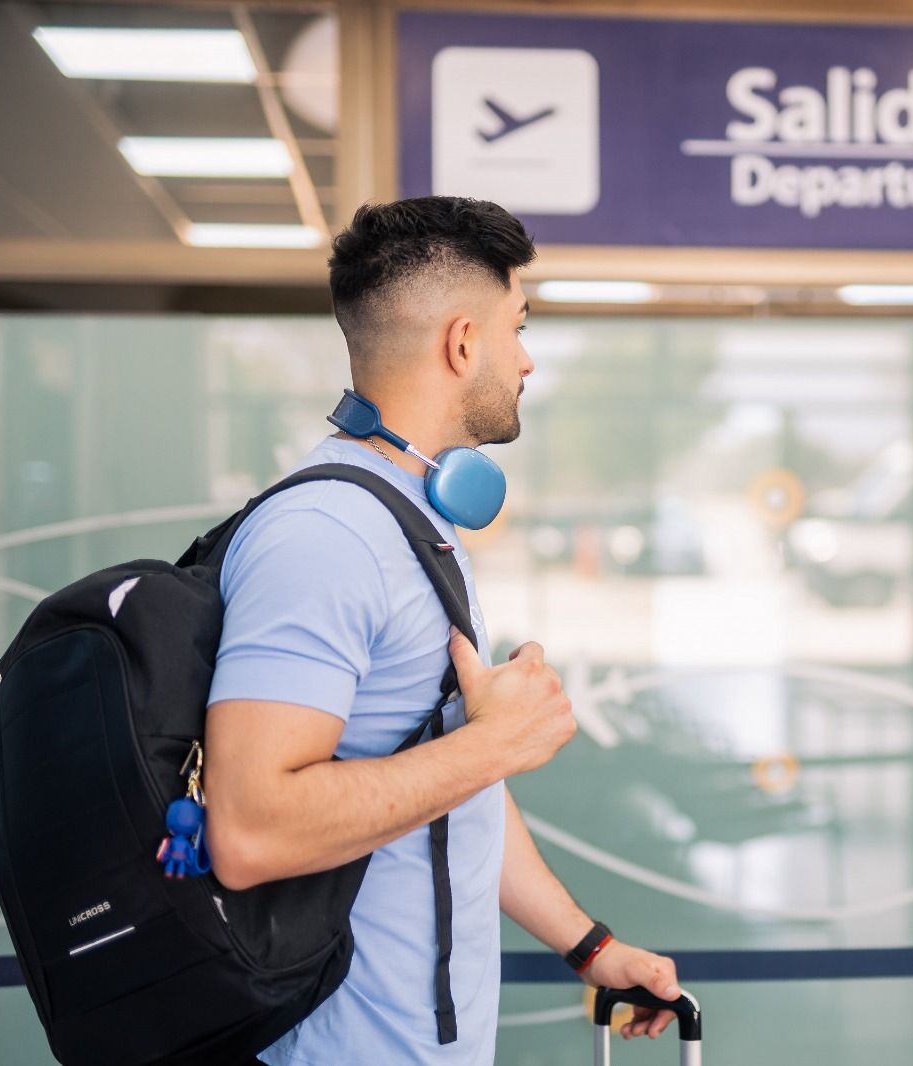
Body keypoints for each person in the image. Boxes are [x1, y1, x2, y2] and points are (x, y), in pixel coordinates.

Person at [203, 196, 681, 1065]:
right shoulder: (328, 535)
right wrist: (497, 743)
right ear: (463, 343)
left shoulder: (410, 520)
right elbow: (249, 830)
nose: (526, 359)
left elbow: (445, 781)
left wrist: (588, 946)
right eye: (517, 328)